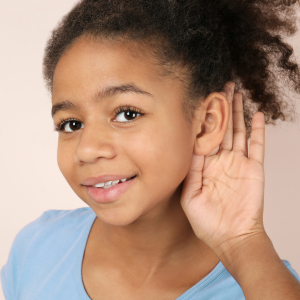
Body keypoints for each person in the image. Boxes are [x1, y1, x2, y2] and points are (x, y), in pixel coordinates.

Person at [1, 0, 300, 299]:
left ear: (206, 123)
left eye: (127, 114)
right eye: (71, 124)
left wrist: (243, 242)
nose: (88, 149)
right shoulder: (36, 249)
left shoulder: (263, 284)